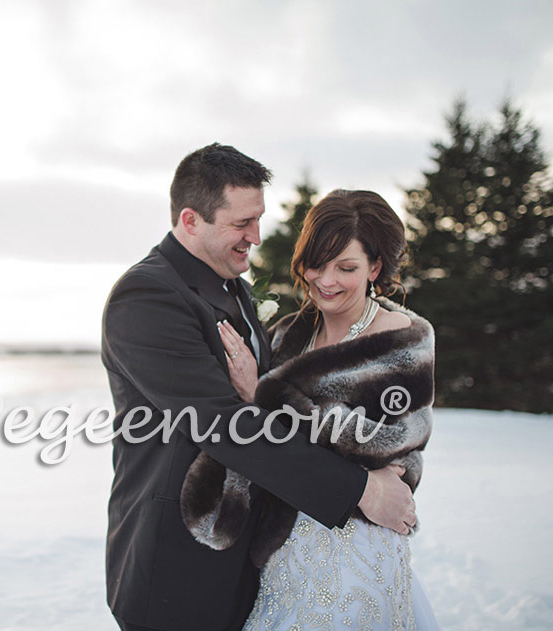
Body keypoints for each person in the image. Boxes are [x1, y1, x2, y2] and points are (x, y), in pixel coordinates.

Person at [101, 145, 417, 631]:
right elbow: (224, 425)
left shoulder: (233, 285)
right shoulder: (148, 297)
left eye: (259, 218)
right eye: (242, 223)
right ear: (191, 220)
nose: (256, 235)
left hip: (251, 556)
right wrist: (360, 490)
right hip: (178, 563)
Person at [201, 189, 439, 629]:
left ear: (375, 268)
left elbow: (389, 447)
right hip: (281, 547)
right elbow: (261, 440)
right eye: (316, 264)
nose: (326, 281)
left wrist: (264, 395)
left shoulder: (401, 340)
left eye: (345, 268)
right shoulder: (286, 334)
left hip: (357, 548)